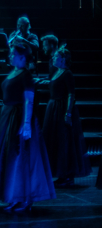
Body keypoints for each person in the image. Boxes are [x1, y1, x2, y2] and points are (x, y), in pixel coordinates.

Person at [0, 44, 55, 213]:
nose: (10, 56)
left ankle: (24, 199)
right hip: (7, 118)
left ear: (22, 57)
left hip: (18, 118)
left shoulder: (26, 75)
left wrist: (27, 124)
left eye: (13, 54)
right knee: (9, 159)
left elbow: (29, 100)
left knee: (20, 158)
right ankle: (14, 196)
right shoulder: (13, 72)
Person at [39, 46, 91, 187]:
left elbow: (71, 94)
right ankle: (61, 174)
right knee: (55, 141)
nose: (53, 58)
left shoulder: (67, 74)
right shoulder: (56, 71)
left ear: (63, 59)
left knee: (65, 142)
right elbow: (54, 85)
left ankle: (68, 175)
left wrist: (68, 113)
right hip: (53, 108)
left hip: (62, 109)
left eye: (56, 56)